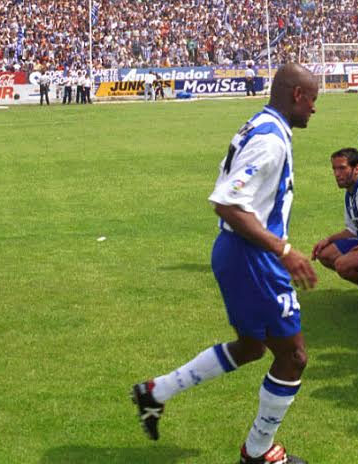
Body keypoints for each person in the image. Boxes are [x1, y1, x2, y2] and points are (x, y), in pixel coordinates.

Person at [132, 64, 319, 464]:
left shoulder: (260, 124)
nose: (315, 111)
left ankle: (155, 391)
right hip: (251, 256)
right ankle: (258, 453)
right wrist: (284, 251)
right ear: (298, 95)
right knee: (294, 356)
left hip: (239, 252)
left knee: (252, 347)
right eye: (313, 100)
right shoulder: (269, 140)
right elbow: (227, 201)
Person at [310, 148, 358, 274]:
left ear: (356, 169)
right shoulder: (349, 193)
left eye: (342, 168)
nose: (337, 174)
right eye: (334, 169)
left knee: (343, 264)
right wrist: (328, 239)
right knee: (324, 254)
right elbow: (352, 230)